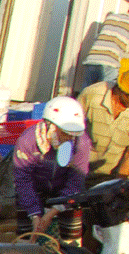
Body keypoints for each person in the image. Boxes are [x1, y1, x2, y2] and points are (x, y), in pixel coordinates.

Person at [14, 95, 91, 236]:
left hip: (65, 190)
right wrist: (35, 214)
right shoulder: (27, 141)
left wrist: (54, 210)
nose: (70, 137)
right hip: (33, 189)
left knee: (71, 235)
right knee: (27, 235)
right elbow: (23, 179)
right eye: (65, 132)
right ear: (51, 125)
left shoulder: (82, 143)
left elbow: (76, 180)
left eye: (73, 133)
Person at [80, 60, 129, 180]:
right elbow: (69, 136)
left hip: (109, 176)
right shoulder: (92, 95)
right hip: (77, 171)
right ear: (123, 91)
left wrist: (118, 183)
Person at [81, 1, 129, 91]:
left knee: (86, 90)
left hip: (93, 58)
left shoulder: (111, 17)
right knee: (107, 92)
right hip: (110, 61)